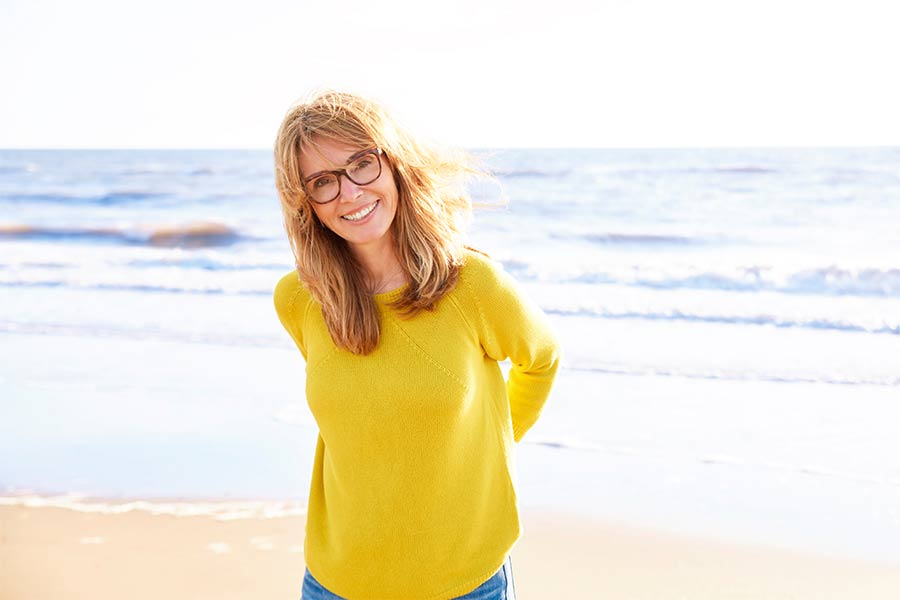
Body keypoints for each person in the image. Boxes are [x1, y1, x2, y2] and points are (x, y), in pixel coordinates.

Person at [272, 90, 560, 600]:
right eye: (322, 182)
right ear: (306, 205)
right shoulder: (299, 299)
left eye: (361, 164)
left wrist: (488, 445)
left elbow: (542, 359)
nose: (349, 193)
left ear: (394, 163)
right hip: (335, 582)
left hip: (465, 581)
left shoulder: (473, 285)